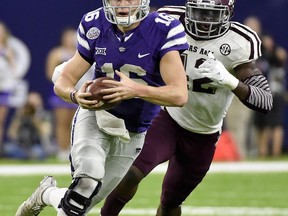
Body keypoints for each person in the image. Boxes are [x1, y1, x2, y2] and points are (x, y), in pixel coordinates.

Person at [15, 0, 189, 215]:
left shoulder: (163, 29)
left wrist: (135, 90)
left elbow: (179, 94)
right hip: (97, 115)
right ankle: (52, 193)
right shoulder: (95, 23)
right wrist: (75, 95)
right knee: (87, 181)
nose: (122, 3)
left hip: (134, 129)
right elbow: (64, 78)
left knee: (79, 205)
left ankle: (47, 193)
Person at [100, 1, 273, 216]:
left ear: (228, 13)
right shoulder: (169, 20)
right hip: (167, 117)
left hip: (203, 134)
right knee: (130, 173)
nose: (203, 21)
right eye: (199, 12)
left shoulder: (239, 41)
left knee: (171, 201)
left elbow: (265, 101)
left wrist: (231, 81)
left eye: (211, 15)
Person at [45, 27, 80, 161]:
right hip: (61, 92)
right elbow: (50, 73)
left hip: (77, 90)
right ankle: (62, 149)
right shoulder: (57, 53)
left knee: (75, 122)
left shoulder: (81, 53)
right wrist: (64, 80)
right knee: (62, 122)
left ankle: (73, 149)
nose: (70, 40)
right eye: (67, 37)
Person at [253, 34, 287, 158]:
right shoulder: (259, 55)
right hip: (260, 93)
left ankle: (275, 152)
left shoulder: (275, 55)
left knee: (275, 124)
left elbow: (280, 59)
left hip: (274, 93)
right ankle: (262, 151)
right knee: (261, 124)